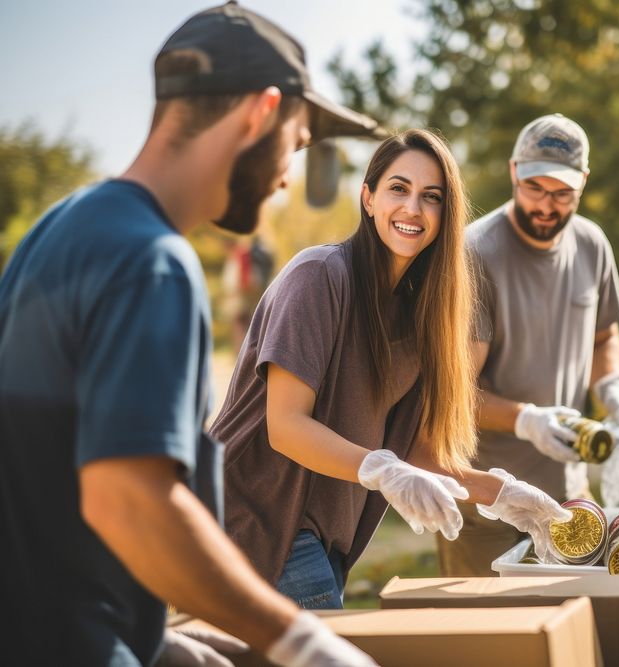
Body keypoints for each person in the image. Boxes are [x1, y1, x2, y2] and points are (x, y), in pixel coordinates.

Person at [0, 3, 381, 665]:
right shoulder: (153, 262)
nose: (289, 173)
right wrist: (300, 638)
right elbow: (130, 504)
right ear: (261, 113)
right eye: (295, 142)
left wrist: (157, 640)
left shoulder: (61, 231)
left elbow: (49, 485)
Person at [211, 128, 571, 609]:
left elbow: (417, 453)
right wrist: (383, 469)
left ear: (446, 214)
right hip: (258, 522)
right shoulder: (319, 277)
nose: (412, 209)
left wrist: (501, 493)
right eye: (398, 189)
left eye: (431, 197)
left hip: (326, 538)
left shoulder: (423, 315)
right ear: (368, 198)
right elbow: (286, 426)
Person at [436, 113, 619, 576]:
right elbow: (454, 393)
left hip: (568, 494)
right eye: (535, 189)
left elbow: (606, 336)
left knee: (567, 627)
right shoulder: (475, 255)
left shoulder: (592, 245)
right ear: (513, 173)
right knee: (489, 639)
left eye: (562, 194)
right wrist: (527, 420)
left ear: (583, 183)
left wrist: (613, 390)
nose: (546, 206)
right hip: (486, 497)